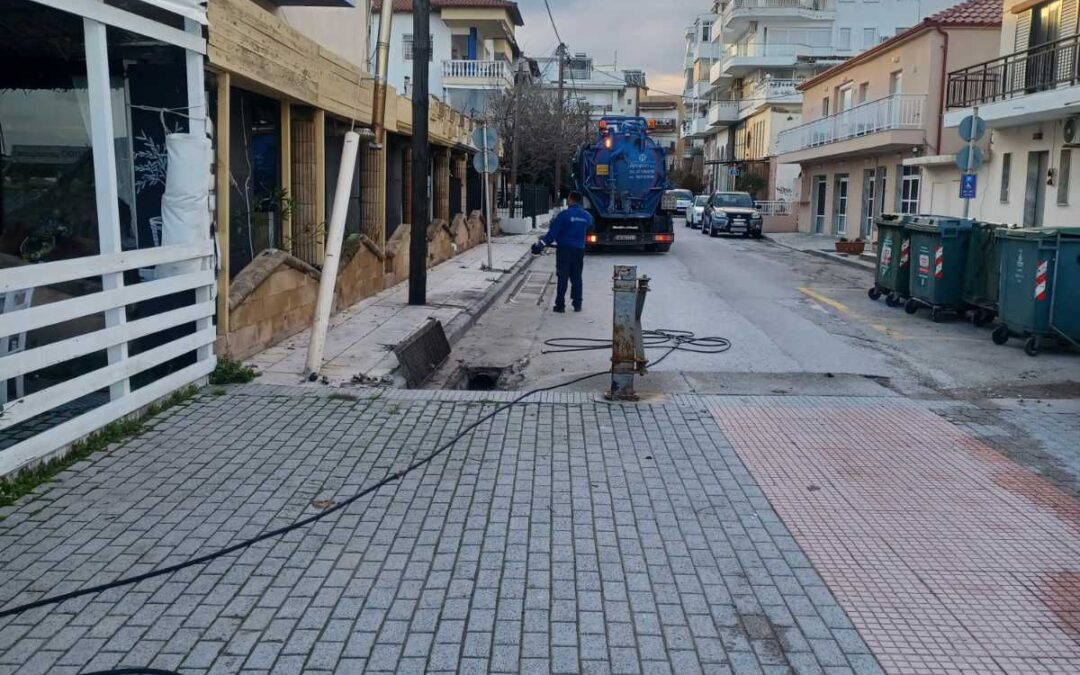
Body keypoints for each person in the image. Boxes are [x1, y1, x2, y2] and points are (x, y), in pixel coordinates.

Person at [540, 191, 593, 312]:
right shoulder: (587, 216)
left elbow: (552, 234)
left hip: (564, 250)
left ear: (570, 199)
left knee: (562, 277)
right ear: (579, 200)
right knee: (577, 277)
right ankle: (577, 304)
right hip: (579, 250)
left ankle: (560, 305)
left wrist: (541, 244)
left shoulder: (564, 215)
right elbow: (590, 228)